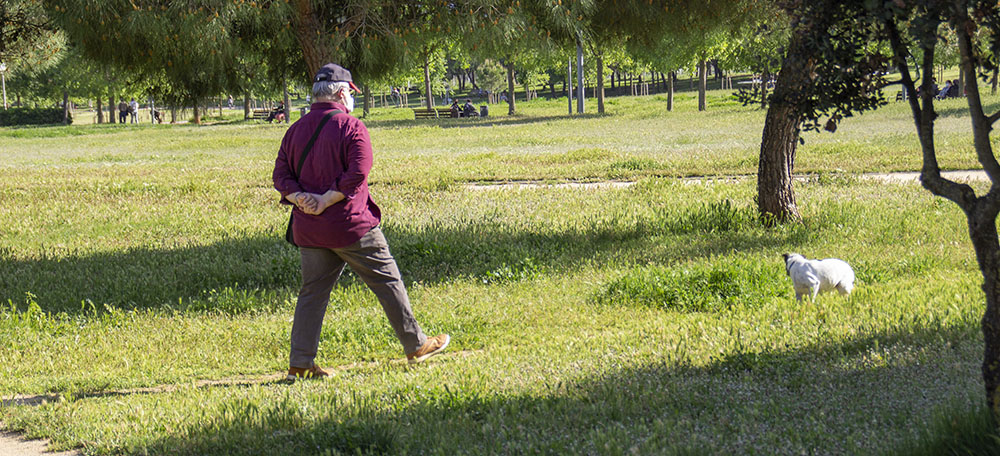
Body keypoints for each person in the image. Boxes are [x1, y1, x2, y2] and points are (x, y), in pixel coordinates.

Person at [272, 63, 450, 382]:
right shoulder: (352, 127)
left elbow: (281, 175)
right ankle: (416, 344)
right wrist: (326, 199)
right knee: (387, 280)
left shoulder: (294, 130)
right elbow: (357, 172)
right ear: (342, 93)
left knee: (312, 293)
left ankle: (299, 364)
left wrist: (301, 198)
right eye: (350, 93)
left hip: (309, 229)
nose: (351, 99)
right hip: (349, 225)